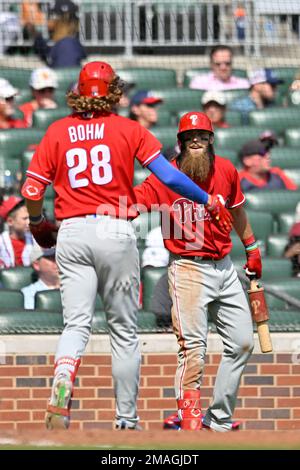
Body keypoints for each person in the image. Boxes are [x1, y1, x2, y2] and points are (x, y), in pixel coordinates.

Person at [21, 61, 232, 431]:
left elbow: (32, 191)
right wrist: (206, 198)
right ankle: (126, 420)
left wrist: (38, 222)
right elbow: (168, 175)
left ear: (77, 92)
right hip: (114, 229)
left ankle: (64, 380)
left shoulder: (56, 131)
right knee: (122, 330)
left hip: (72, 230)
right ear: (114, 93)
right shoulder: (128, 127)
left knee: (75, 325)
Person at [134, 111, 261, 431]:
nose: (196, 142)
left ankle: (218, 419)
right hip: (188, 267)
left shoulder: (226, 170)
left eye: (202, 136)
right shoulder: (166, 177)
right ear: (180, 143)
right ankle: (188, 416)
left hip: (224, 266)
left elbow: (238, 211)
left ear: (211, 140)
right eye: (190, 138)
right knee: (193, 348)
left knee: (244, 342)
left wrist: (252, 248)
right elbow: (131, 201)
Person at [32, 0, 86, 68]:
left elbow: (64, 74)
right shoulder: (66, 43)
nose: (47, 20)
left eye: (50, 16)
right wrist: (37, 38)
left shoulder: (67, 45)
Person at [21, 245, 60, 309]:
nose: (57, 262)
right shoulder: (28, 294)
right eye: (51, 258)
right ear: (36, 265)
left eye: (59, 257)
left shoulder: (74, 288)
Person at [0, 196, 33, 269]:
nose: (29, 222)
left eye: (29, 217)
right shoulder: (1, 242)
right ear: (10, 221)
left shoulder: (35, 240)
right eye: (24, 218)